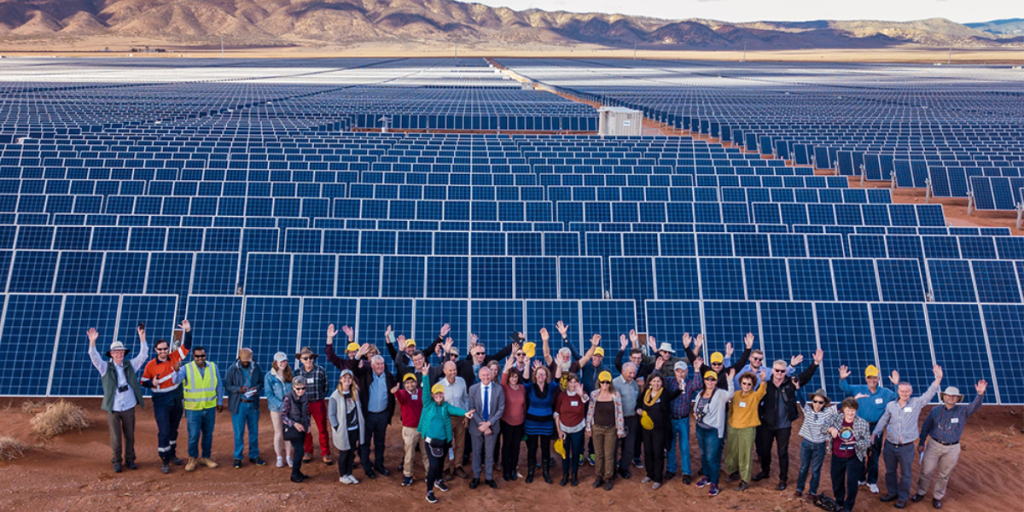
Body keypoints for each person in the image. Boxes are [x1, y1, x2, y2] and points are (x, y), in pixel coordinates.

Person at [873, 365, 943, 508]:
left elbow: (929, 394)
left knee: (906, 474)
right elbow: (883, 420)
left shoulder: (916, 403)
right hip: (890, 445)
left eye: (907, 391)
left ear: (911, 392)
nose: (904, 393)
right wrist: (875, 433)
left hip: (906, 447)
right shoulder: (891, 405)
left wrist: (938, 379)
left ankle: (903, 497)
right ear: (897, 391)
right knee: (890, 471)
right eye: (901, 391)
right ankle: (892, 492)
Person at [753, 349, 823, 491]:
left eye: (782, 371)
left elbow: (805, 376)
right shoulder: (765, 385)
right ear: (772, 370)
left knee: (782, 452)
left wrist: (815, 364)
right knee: (765, 451)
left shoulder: (791, 383)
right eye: (777, 370)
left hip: (784, 425)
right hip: (767, 424)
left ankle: (783, 479)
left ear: (786, 372)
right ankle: (765, 471)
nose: (779, 374)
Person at [911, 380, 986, 509]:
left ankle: (937, 497)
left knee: (944, 474)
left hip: (952, 448)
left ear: (957, 398)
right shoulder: (935, 411)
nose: (951, 397)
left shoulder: (963, 411)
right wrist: (922, 442)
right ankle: (920, 492)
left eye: (954, 396)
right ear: (944, 396)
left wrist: (979, 394)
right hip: (934, 445)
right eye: (948, 395)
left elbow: (975, 405)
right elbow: (925, 427)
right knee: (926, 471)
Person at [88, 325, 149, 473]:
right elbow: (94, 357)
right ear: (111, 354)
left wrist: (142, 338)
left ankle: (130, 459)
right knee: (115, 437)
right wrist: (92, 342)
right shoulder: (104, 367)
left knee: (130, 435)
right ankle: (116, 461)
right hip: (113, 407)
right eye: (116, 352)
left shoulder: (130, 365)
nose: (119, 354)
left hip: (128, 405)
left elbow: (143, 355)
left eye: (121, 352)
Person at [140, 320, 192, 473]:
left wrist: (188, 331)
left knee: (173, 430)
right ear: (156, 350)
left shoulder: (175, 356)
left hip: (176, 399)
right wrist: (152, 383)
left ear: (168, 348)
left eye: (165, 348)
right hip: (161, 402)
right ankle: (164, 459)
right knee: (163, 431)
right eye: (160, 349)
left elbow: (187, 346)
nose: (163, 351)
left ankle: (172, 454)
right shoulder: (150, 365)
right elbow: (143, 381)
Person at [838, 364, 899, 494]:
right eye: (870, 378)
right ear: (866, 379)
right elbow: (846, 388)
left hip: (876, 429)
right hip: (860, 428)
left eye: (875, 377)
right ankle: (860, 478)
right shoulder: (859, 389)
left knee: (874, 456)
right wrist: (843, 379)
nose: (872, 380)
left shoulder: (885, 393)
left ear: (878, 378)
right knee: (859, 453)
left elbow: (897, 397)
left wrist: (896, 384)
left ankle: (872, 481)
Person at [419, 374, 475, 504]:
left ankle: (438, 480)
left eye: (441, 394)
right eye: (436, 394)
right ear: (433, 395)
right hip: (431, 442)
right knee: (433, 466)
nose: (438, 396)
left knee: (439, 464)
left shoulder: (445, 406)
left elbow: (455, 409)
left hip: (444, 442)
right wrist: (425, 376)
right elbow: (426, 392)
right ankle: (429, 491)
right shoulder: (428, 404)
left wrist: (465, 413)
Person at [173, 345, 225, 472]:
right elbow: (176, 381)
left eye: (202, 356)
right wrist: (175, 371)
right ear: (193, 357)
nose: (200, 358)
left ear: (205, 355)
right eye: (197, 356)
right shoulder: (186, 368)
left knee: (208, 434)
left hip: (210, 407)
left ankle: (206, 457)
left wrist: (220, 401)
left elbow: (219, 385)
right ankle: (192, 458)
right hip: (193, 409)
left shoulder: (213, 367)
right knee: (194, 435)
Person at [694, 369, 736, 497]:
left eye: (713, 379)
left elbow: (731, 395)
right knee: (703, 453)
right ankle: (706, 477)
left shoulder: (720, 394)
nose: (710, 382)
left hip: (713, 430)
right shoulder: (699, 394)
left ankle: (714, 483)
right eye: (707, 379)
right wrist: (696, 414)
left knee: (711, 457)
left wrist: (730, 380)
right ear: (704, 380)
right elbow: (696, 408)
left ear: (716, 381)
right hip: (700, 428)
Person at [637, 370, 683, 490]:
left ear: (662, 383)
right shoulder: (645, 394)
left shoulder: (665, 394)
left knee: (658, 452)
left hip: (660, 429)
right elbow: (638, 405)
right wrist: (638, 410)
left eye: (659, 381)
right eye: (654, 381)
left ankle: (657, 478)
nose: (656, 383)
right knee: (648, 451)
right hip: (646, 428)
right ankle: (649, 474)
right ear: (650, 383)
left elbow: (676, 394)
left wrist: (681, 387)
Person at [353, 354, 396, 479]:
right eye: (377, 364)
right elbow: (354, 368)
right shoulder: (365, 374)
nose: (380, 366)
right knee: (365, 443)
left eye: (382, 364)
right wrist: (358, 355)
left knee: (380, 442)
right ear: (371, 365)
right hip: (368, 416)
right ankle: (367, 467)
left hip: (382, 415)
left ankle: (379, 464)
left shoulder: (388, 377)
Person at [826, 398, 873, 512]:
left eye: (852, 410)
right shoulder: (835, 419)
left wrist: (856, 443)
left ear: (856, 410)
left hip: (854, 457)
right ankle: (839, 501)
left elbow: (867, 442)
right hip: (837, 456)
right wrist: (830, 428)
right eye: (848, 410)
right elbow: (823, 427)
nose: (850, 413)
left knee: (852, 483)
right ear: (843, 410)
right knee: (836, 481)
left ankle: (848, 506)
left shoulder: (862, 423)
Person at [724, 369, 768, 491]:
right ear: (740, 383)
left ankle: (744, 480)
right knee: (731, 452)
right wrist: (730, 422)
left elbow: (762, 390)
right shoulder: (736, 395)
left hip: (747, 429)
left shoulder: (755, 396)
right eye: (744, 383)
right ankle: (733, 472)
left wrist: (763, 380)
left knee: (745, 454)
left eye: (749, 384)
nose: (746, 386)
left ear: (753, 385)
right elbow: (731, 410)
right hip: (733, 427)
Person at [664, 358, 704, 484]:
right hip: (671, 419)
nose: (680, 374)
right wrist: (657, 367)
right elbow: (656, 380)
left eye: (683, 371)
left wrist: (697, 370)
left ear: (687, 372)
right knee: (670, 445)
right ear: (674, 372)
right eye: (678, 371)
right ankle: (671, 469)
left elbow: (698, 385)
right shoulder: (669, 382)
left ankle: (686, 472)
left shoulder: (690, 384)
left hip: (683, 420)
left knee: (684, 446)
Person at [794, 388, 839, 499]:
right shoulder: (807, 410)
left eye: (820, 402)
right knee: (804, 468)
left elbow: (841, 405)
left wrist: (855, 398)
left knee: (815, 470)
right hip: (806, 444)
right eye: (815, 401)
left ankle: (812, 492)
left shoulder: (828, 412)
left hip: (820, 446)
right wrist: (797, 388)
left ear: (824, 403)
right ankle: (799, 489)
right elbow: (801, 399)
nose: (817, 404)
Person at [429, 359, 469, 480]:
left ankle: (458, 466)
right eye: (450, 370)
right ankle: (445, 468)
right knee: (446, 444)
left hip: (461, 417)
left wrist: (466, 414)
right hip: (447, 418)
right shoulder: (439, 385)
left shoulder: (461, 381)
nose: (453, 372)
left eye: (455, 369)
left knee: (460, 443)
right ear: (444, 371)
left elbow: (465, 398)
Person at [225, 348, 264, 468]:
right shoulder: (233, 369)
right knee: (239, 432)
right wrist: (239, 389)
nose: (246, 363)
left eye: (248, 361)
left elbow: (261, 382)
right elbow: (227, 385)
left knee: (254, 431)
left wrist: (256, 388)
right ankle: (238, 457)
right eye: (244, 361)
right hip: (239, 404)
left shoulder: (256, 368)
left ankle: (254, 455)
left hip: (253, 404)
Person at [586, 371, 625, 491]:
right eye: (602, 382)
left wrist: (620, 429)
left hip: (611, 429)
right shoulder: (594, 395)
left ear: (610, 383)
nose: (605, 384)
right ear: (599, 382)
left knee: (609, 454)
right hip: (597, 428)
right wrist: (588, 427)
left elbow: (619, 412)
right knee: (598, 454)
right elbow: (590, 411)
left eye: (607, 382)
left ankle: (608, 476)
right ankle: (599, 475)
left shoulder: (615, 395)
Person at [468, 366, 505, 489]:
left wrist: (488, 424)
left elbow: (501, 409)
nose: (486, 377)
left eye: (488, 375)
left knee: (489, 454)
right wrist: (482, 425)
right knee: (477, 453)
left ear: (492, 375)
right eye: (483, 375)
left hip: (492, 427)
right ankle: (476, 477)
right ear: (479, 376)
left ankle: (489, 477)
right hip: (477, 427)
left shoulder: (499, 389)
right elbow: (471, 409)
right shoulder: (473, 389)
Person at [294, 346, 331, 465]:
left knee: (322, 428)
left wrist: (320, 397)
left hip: (317, 403)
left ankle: (325, 453)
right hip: (303, 404)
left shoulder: (320, 371)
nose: (308, 360)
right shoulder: (297, 373)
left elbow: (326, 387)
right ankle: (307, 451)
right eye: (305, 358)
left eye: (311, 358)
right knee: (305, 429)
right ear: (301, 360)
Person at [329, 370, 366, 485]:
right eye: (344, 377)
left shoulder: (354, 393)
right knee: (344, 452)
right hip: (343, 431)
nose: (347, 380)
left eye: (349, 378)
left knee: (351, 452)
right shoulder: (335, 396)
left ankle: (349, 473)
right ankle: (342, 475)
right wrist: (337, 427)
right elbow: (331, 414)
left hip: (354, 428)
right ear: (340, 380)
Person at [524, 362, 557, 484]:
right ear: (535, 375)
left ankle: (546, 472)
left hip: (547, 425)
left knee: (545, 448)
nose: (541, 376)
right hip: (531, 424)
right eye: (538, 374)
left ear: (546, 376)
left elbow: (557, 379)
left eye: (543, 374)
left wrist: (558, 365)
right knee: (532, 448)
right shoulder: (530, 387)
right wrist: (527, 365)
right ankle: (531, 472)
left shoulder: (551, 387)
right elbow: (525, 379)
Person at [684, 332, 752, 391]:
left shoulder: (728, 372)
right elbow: (693, 361)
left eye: (719, 364)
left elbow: (741, 362)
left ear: (723, 362)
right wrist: (687, 348)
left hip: (722, 404)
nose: (716, 366)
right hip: (709, 403)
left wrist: (748, 348)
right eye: (714, 364)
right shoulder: (706, 370)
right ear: (711, 363)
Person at [394, 373, 429, 486]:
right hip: (409, 429)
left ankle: (429, 474)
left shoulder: (421, 393)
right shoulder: (403, 393)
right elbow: (400, 397)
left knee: (426, 453)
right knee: (409, 453)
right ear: (404, 385)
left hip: (423, 428)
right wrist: (396, 391)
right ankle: (408, 475)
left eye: (412, 381)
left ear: (416, 382)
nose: (410, 384)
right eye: (407, 382)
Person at [554, 373, 588, 486]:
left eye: (575, 382)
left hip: (577, 429)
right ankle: (565, 475)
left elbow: (586, 400)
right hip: (564, 429)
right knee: (565, 453)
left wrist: (580, 393)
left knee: (576, 453)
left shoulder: (581, 394)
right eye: (571, 382)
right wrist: (559, 430)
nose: (573, 384)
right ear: (567, 383)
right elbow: (556, 413)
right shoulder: (562, 396)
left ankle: (574, 475)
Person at [500, 352, 528, 481]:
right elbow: (503, 377)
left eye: (516, 377)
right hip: (507, 422)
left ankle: (513, 469)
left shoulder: (522, 388)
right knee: (507, 446)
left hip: (519, 422)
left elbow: (524, 405)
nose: (514, 379)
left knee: (516, 447)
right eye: (511, 377)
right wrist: (507, 366)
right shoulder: (505, 388)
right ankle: (506, 470)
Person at [265, 352, 294, 468]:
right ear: (276, 362)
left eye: (285, 361)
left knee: (288, 434)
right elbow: (268, 394)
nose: (283, 363)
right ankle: (279, 457)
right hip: (276, 409)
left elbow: (294, 390)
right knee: (278, 433)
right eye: (281, 361)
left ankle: (288, 456)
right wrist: (282, 405)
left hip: (290, 409)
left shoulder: (291, 374)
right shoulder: (269, 376)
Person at [612, 361, 640, 479]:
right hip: (618, 420)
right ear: (623, 371)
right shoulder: (615, 384)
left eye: (634, 373)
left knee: (629, 446)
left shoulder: (634, 383)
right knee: (613, 446)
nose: (632, 376)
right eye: (630, 373)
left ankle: (623, 468)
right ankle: (612, 469)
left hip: (631, 419)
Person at [281, 377, 310, 483]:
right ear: (293, 387)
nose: (301, 391)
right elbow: (283, 416)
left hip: (303, 427)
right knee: (299, 451)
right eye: (298, 389)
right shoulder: (288, 398)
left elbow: (306, 413)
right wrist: (294, 424)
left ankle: (298, 472)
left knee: (300, 451)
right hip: (293, 429)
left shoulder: (305, 396)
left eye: (303, 388)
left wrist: (308, 425)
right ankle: (294, 474)